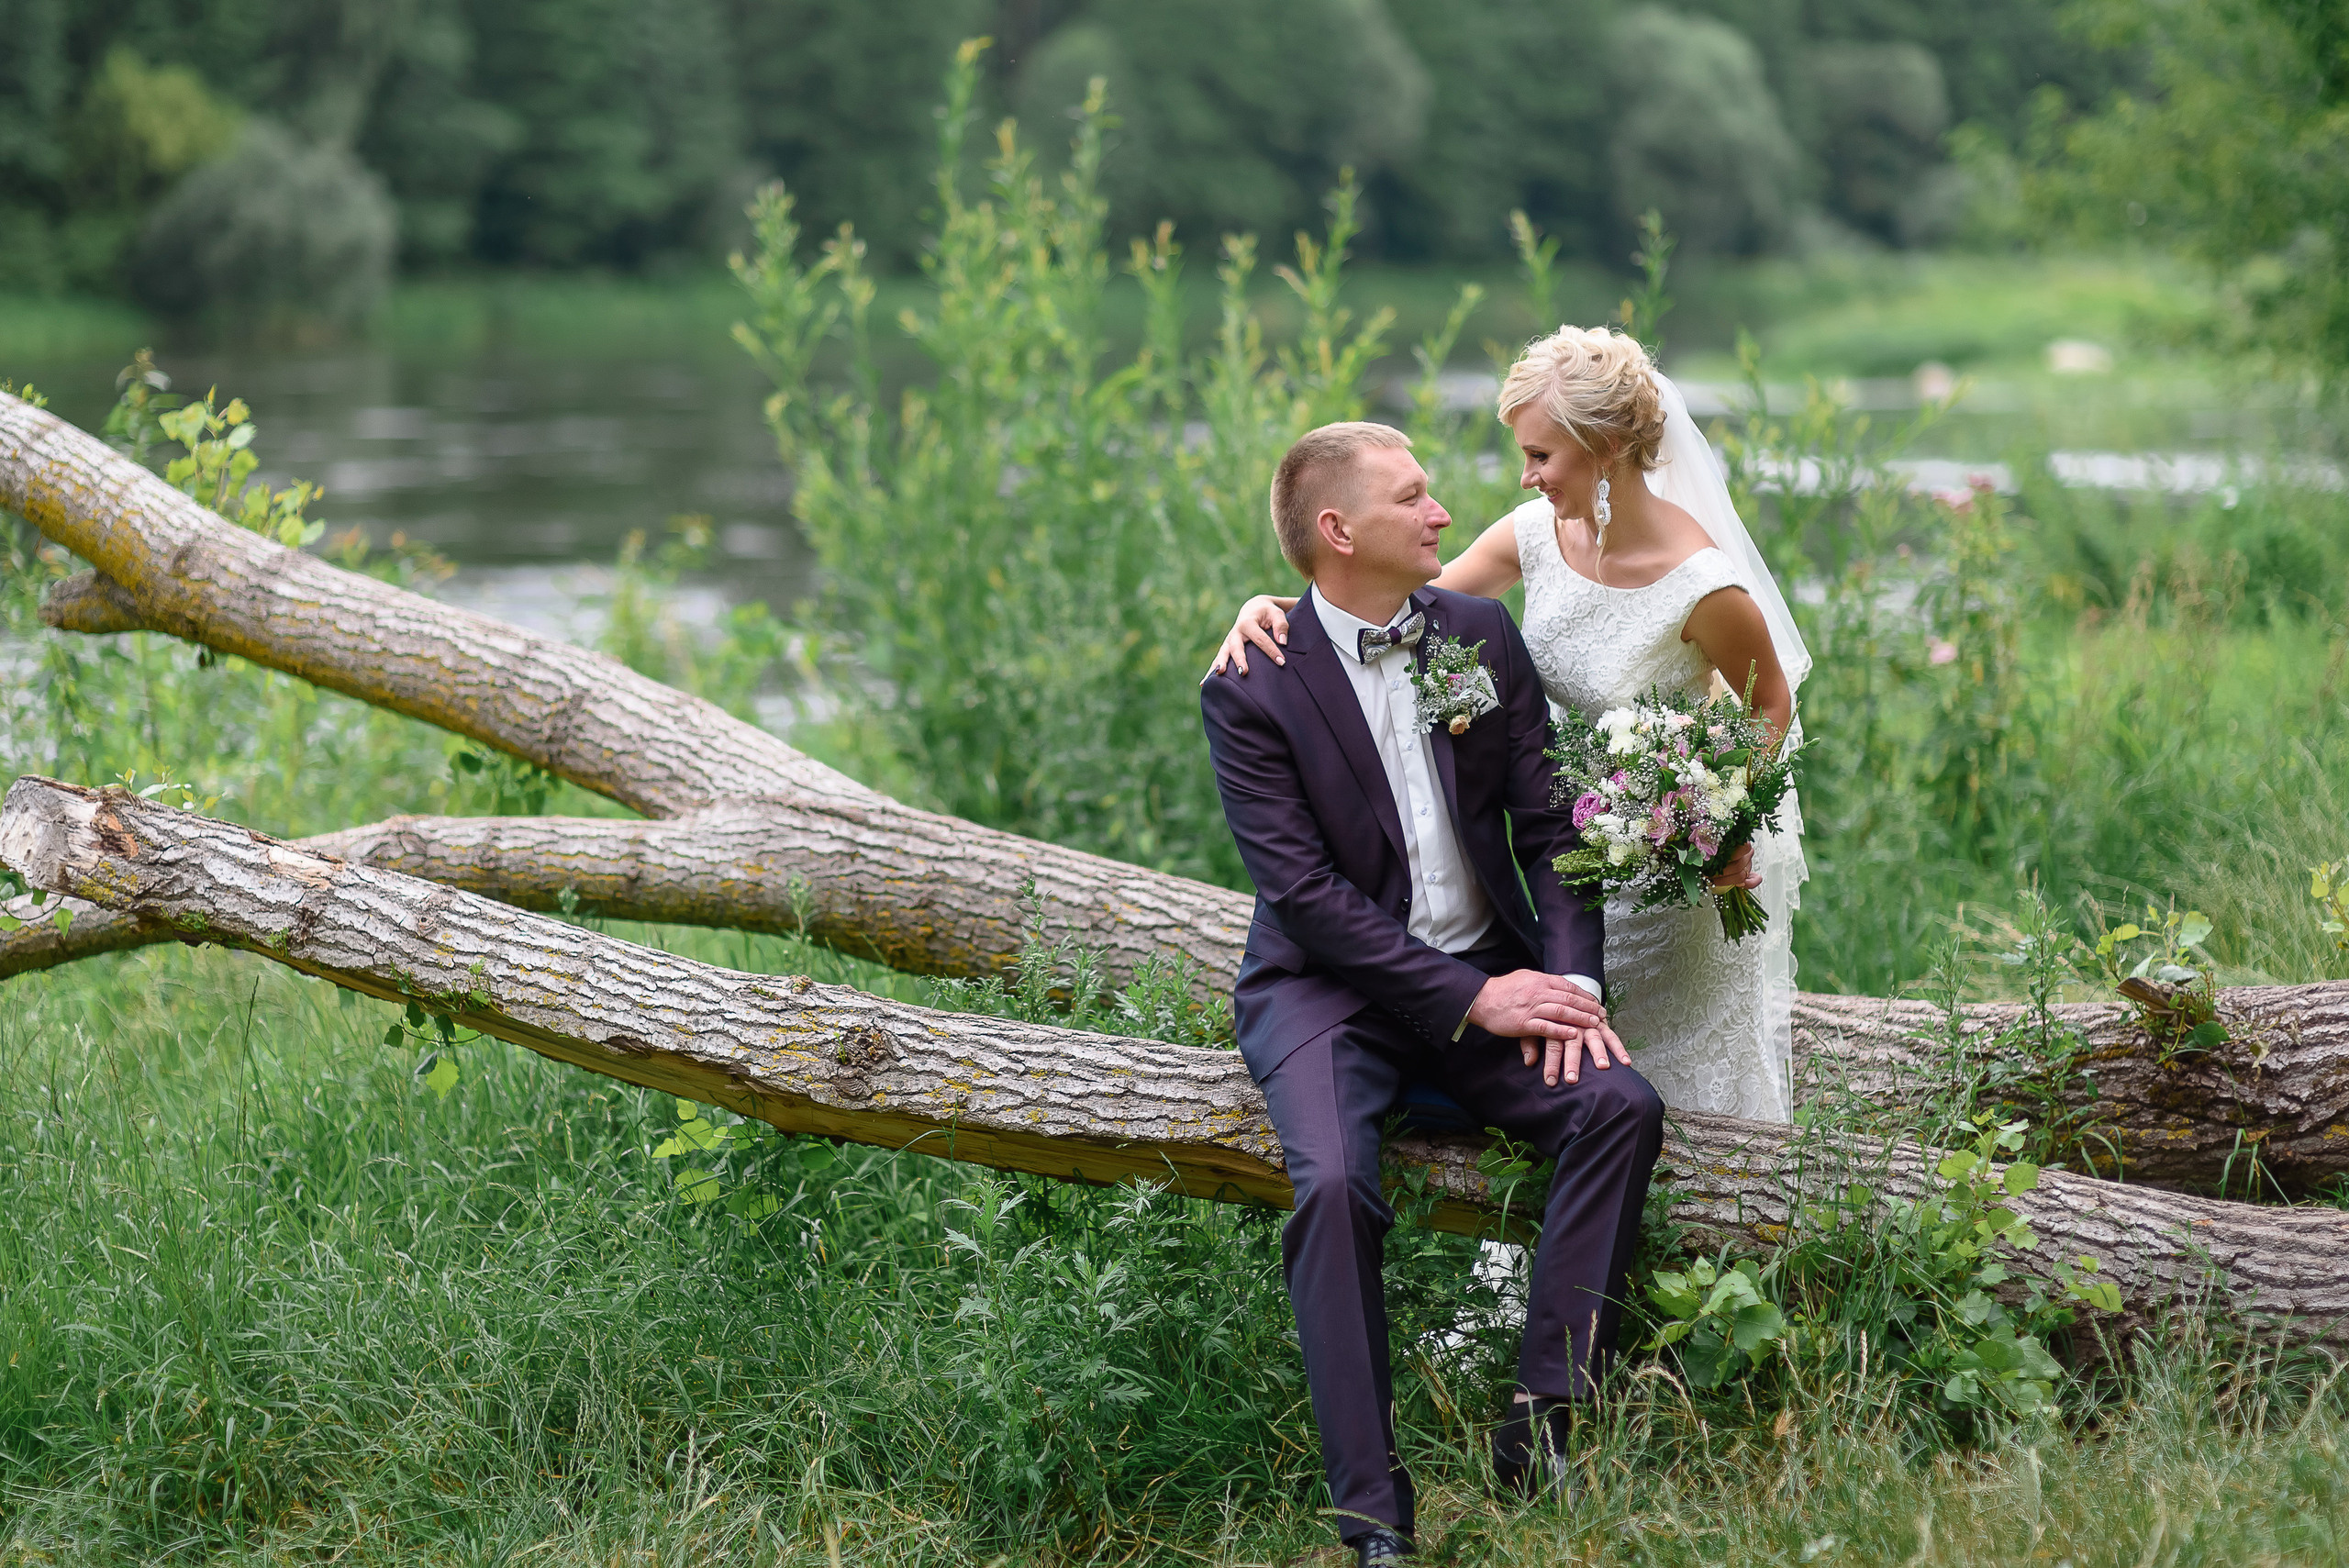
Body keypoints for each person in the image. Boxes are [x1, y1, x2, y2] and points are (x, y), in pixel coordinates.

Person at [1200, 420, 1665, 1564]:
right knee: (1337, 1185)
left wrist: (1563, 981)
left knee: (1620, 1106)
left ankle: (1541, 1424)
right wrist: (1470, 1001)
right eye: (1414, 497)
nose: (1442, 514)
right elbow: (1305, 898)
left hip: (1494, 972)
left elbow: (1551, 827)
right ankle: (1372, 1516)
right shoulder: (1251, 684)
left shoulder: (1474, 632)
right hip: (1327, 998)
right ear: (1336, 528)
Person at [1212, 327, 1809, 1124]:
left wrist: (1720, 819)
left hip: (1664, 865)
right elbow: (1390, 612)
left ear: (1601, 448)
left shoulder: (1703, 586)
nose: (1525, 477)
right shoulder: (1535, 535)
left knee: (1664, 1082)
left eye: (1541, 456)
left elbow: (1769, 701)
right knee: (1561, 1075)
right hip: (1560, 847)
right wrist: (1274, 606)